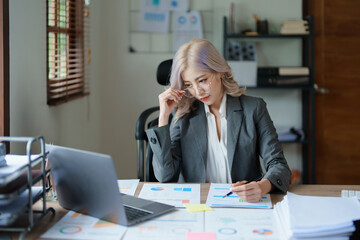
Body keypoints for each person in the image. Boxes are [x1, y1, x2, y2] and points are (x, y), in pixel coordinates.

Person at [146, 38, 291, 203]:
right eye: (189, 85)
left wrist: (262, 186)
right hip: (198, 204)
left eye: (202, 80)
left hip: (243, 203)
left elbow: (279, 165)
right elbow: (165, 176)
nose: (198, 91)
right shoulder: (183, 116)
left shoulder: (254, 108)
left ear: (219, 71)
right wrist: (164, 117)